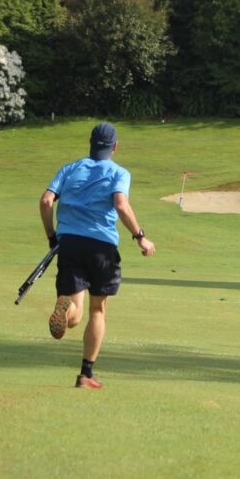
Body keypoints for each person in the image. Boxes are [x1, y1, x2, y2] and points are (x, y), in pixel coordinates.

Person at [39, 122, 156, 389]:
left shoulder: (70, 169)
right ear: (114, 146)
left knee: (76, 314)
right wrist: (140, 237)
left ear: (90, 143)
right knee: (97, 310)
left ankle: (65, 311)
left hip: (69, 244)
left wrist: (52, 236)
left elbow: (46, 201)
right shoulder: (119, 173)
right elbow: (120, 204)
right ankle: (85, 375)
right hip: (101, 247)